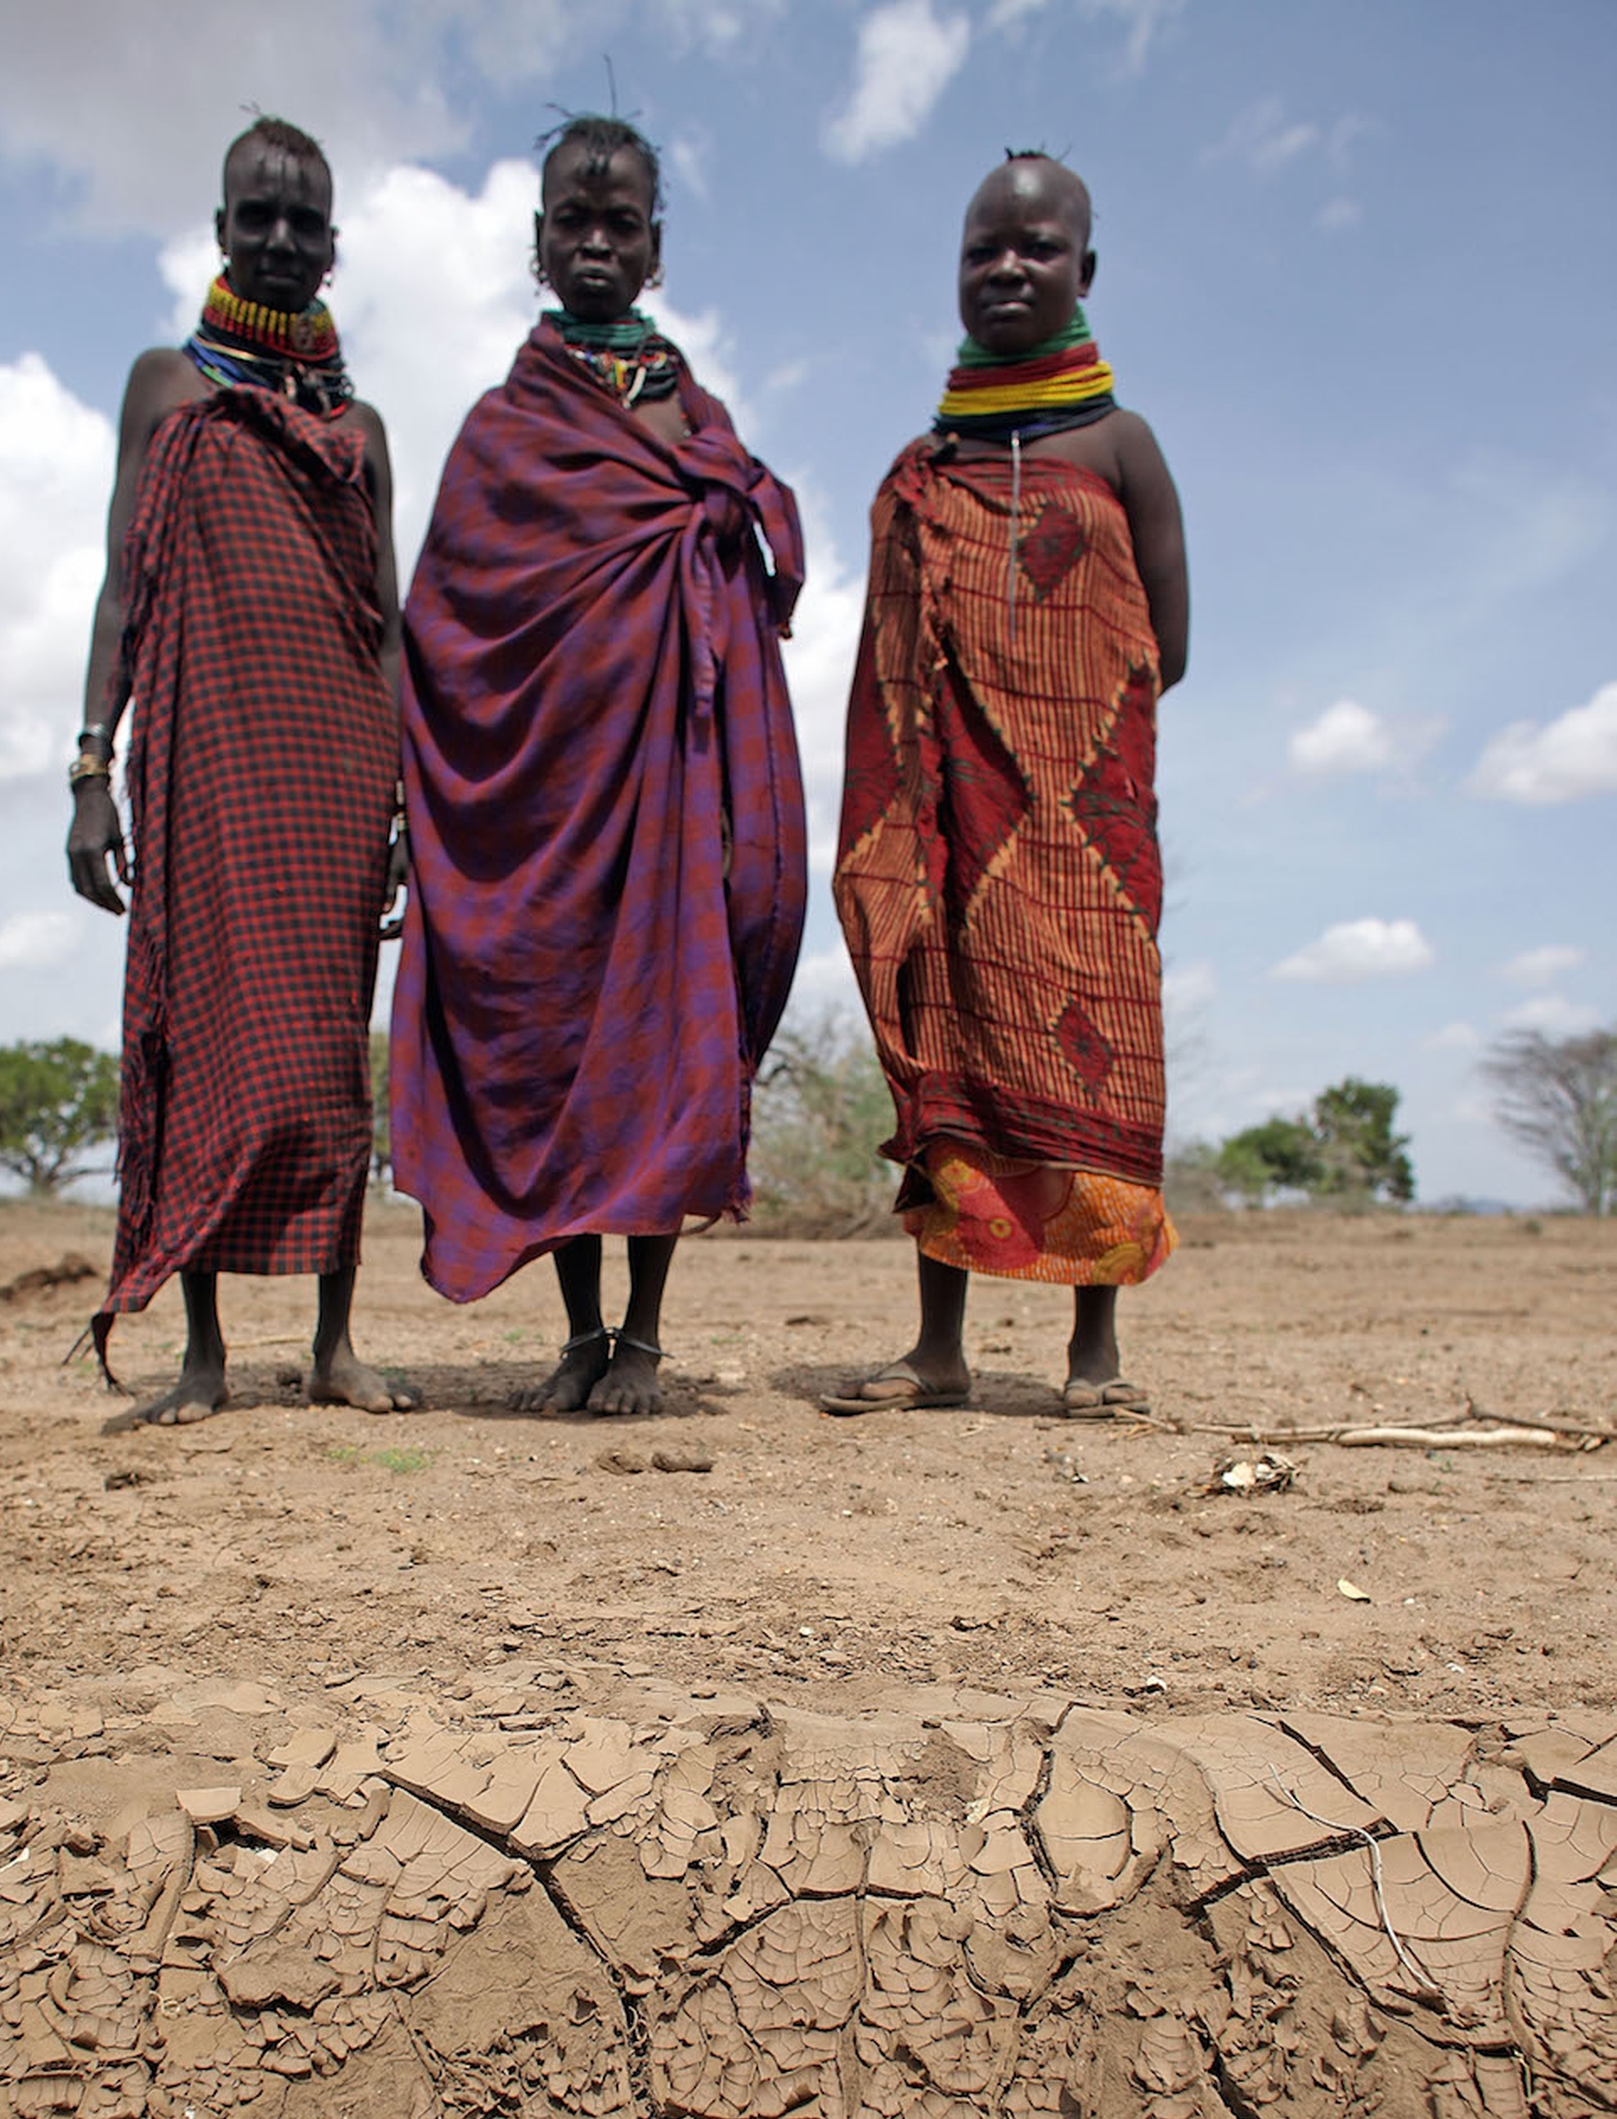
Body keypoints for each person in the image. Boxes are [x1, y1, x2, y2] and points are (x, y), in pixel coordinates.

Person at [392, 115, 806, 1417]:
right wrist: (440, 793)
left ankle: (642, 1337)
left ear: (657, 249)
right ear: (535, 244)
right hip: (544, 796)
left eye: (618, 220)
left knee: (664, 1049)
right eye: (571, 219)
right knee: (558, 1044)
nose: (593, 240)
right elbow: (446, 617)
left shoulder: (699, 416)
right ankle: (576, 1332)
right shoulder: (503, 426)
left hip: (672, 795)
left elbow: (740, 613)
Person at [826, 151, 1188, 1419]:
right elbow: (886, 671)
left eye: (1036, 247)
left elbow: (1171, 648)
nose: (1008, 269)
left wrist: (1054, 719)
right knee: (952, 1050)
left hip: (1090, 828)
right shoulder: (927, 466)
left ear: (1087, 269)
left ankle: (1094, 1355)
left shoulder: (1123, 446)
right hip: (957, 821)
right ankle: (940, 1352)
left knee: (1103, 1059)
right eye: (984, 249)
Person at [67, 114, 415, 1424]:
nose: (279, 238)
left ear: (332, 246)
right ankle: (204, 1354)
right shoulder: (167, 385)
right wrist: (91, 762)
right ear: (220, 231)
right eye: (256, 216)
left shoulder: (363, 424)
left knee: (329, 1056)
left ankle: (333, 1344)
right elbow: (122, 587)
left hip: (336, 767)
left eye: (304, 221)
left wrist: (400, 802)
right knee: (207, 1036)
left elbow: (383, 625)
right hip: (205, 759)